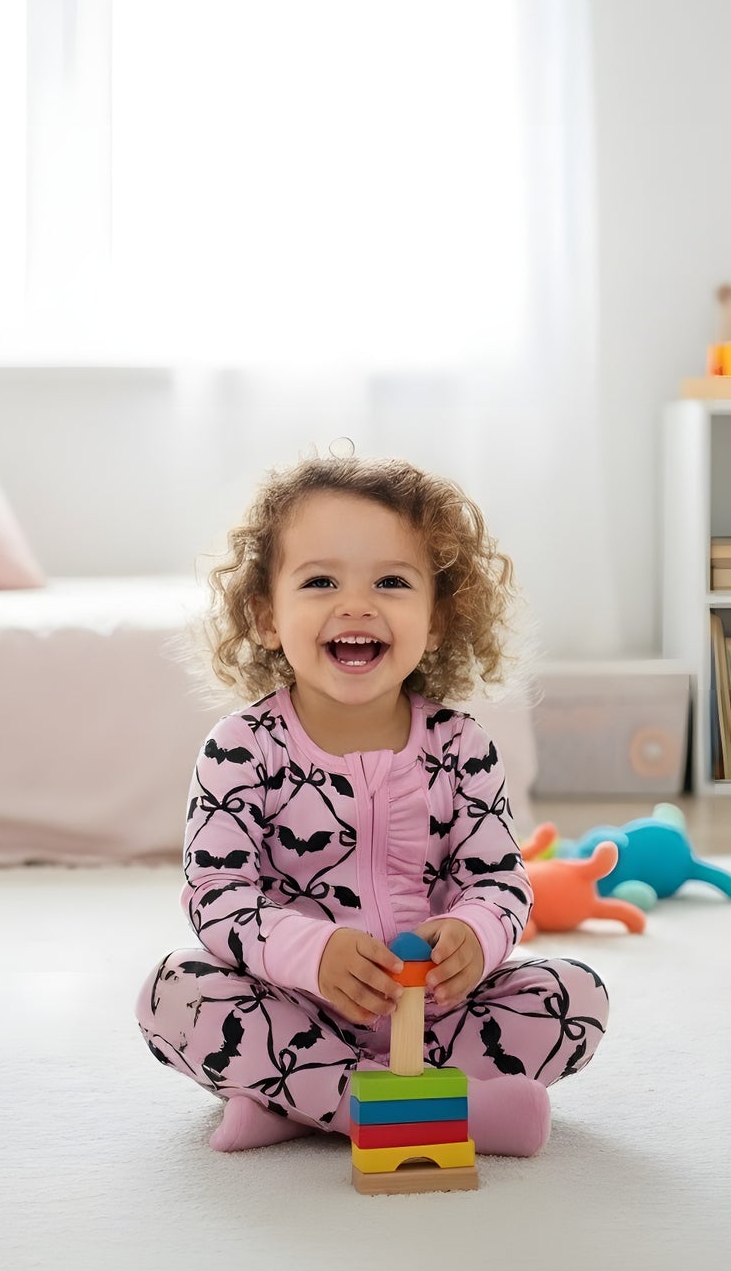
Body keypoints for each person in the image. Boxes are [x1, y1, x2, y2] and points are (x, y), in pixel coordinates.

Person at [135, 454, 609, 1154]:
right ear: (267, 616)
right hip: (289, 1003)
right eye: (320, 580)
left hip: (439, 1013)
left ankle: (297, 1101)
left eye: (390, 582)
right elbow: (216, 897)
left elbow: (501, 881)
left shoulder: (461, 745)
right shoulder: (241, 747)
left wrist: (474, 937)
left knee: (577, 995)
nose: (355, 605)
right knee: (171, 993)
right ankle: (431, 1110)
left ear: (438, 618)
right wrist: (313, 952)